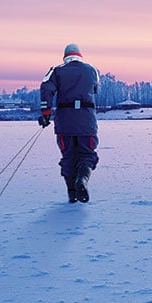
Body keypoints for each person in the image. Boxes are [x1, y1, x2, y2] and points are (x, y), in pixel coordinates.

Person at [39, 43, 100, 203]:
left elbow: (46, 88)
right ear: (80, 55)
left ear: (65, 57)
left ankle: (72, 193)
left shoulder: (57, 70)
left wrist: (46, 113)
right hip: (87, 121)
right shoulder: (92, 70)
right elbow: (95, 90)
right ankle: (83, 180)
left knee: (68, 157)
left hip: (64, 122)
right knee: (87, 154)